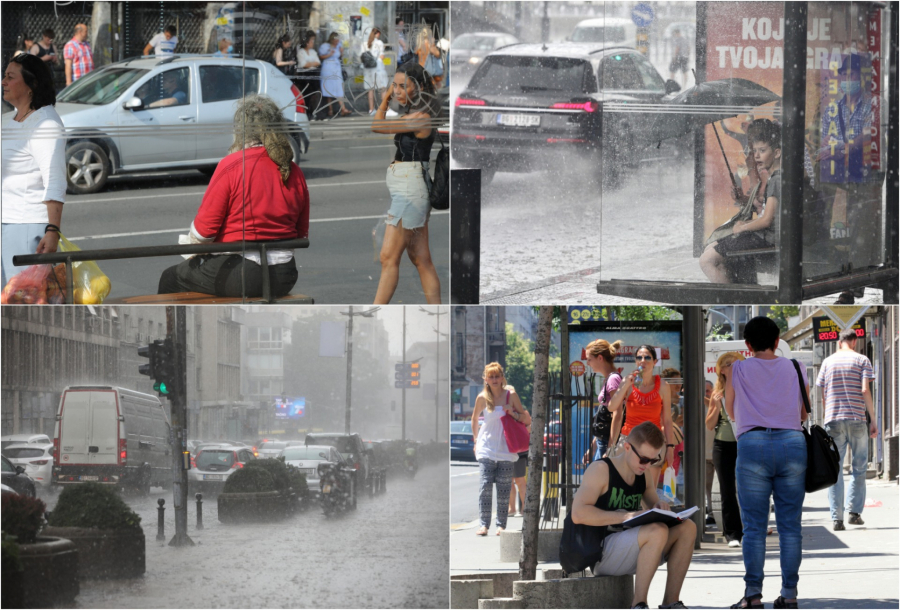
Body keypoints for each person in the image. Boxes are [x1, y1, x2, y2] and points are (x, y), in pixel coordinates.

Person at [157, 95, 309, 298]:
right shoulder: (293, 170)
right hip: (284, 275)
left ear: (241, 129)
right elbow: (301, 233)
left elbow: (204, 233)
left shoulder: (232, 165)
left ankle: (180, 331)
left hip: (240, 274)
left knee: (170, 278)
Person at [726, 316, 808, 609]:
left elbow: (730, 409)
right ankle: (789, 594)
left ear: (747, 345)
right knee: (790, 526)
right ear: (777, 342)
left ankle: (753, 595)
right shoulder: (797, 367)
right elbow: (803, 413)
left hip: (752, 445)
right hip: (792, 444)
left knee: (754, 528)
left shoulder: (738, 368)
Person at [571, 421, 696, 610]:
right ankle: (639, 604)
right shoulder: (601, 470)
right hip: (600, 553)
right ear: (627, 447)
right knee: (657, 531)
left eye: (653, 461)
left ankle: (671, 602)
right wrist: (625, 516)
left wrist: (660, 506)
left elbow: (653, 502)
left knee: (688, 528)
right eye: (644, 459)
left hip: (635, 548)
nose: (647, 465)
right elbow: (578, 514)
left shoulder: (642, 474)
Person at [371, 61, 441, 304]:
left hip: (411, 193)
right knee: (421, 259)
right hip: (410, 190)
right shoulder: (414, 113)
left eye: (403, 86)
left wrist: (384, 100)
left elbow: (377, 125)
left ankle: (374, 315)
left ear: (419, 87)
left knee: (388, 257)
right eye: (394, 86)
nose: (397, 91)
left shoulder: (420, 117)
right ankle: (437, 314)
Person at [816, 53, 880, 304]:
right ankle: (839, 279)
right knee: (833, 227)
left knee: (862, 229)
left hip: (866, 176)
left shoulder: (875, 103)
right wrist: (833, 149)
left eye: (853, 74)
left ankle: (853, 287)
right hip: (837, 177)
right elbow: (823, 143)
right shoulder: (833, 108)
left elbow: (866, 136)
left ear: (862, 78)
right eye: (845, 74)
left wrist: (837, 147)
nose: (848, 79)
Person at [1, 53, 65, 288]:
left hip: (26, 227)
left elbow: (55, 179)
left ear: (32, 85)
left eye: (10, 77)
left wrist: (52, 230)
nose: (3, 82)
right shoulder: (16, 119)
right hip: (8, 222)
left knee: (23, 302)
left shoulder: (45, 123)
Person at [700, 119, 781, 284]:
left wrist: (743, 227)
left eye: (761, 150)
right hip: (765, 234)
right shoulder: (776, 176)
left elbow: (766, 219)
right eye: (754, 149)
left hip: (767, 236)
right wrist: (744, 200)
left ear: (777, 152)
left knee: (707, 260)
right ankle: (740, 293)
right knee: (713, 251)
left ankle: (733, 298)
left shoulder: (776, 179)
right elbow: (764, 205)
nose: (756, 154)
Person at [816, 327, 877, 531]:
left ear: (839, 342)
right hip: (857, 419)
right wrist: (873, 419)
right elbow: (865, 390)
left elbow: (824, 394)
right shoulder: (862, 360)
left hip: (833, 419)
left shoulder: (827, 362)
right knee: (859, 468)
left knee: (835, 469)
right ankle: (854, 513)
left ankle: (837, 519)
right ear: (855, 341)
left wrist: (828, 416)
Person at [471, 362, 531, 536]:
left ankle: (501, 525)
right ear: (486, 379)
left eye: (497, 376)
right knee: (485, 486)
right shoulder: (482, 397)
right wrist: (476, 440)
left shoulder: (510, 395)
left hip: (506, 448)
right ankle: (484, 524)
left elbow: (525, 419)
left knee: (504, 489)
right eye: (491, 377)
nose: (495, 379)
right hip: (486, 448)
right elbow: (475, 419)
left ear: (502, 378)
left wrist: (511, 413)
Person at [607, 345, 676, 489]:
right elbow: (612, 408)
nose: (642, 361)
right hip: (629, 441)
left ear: (655, 361)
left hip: (653, 443)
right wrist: (625, 385)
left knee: (649, 492)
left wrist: (670, 448)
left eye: (647, 357)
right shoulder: (628, 382)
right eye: (639, 357)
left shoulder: (663, 386)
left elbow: (668, 421)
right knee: (623, 490)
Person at [706, 352, 744, 548]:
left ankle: (750, 528)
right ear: (721, 370)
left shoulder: (748, 388)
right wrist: (717, 404)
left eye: (734, 363)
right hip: (723, 445)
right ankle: (732, 534)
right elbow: (709, 424)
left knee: (748, 488)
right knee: (727, 490)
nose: (730, 367)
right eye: (726, 364)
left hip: (745, 443)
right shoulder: (716, 392)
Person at [583, 339, 623, 464]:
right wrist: (593, 448)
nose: (588, 363)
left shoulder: (612, 379)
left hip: (607, 443)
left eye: (589, 359)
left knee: (599, 481)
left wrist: (610, 448)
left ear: (600, 358)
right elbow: (605, 418)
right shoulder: (610, 378)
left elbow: (617, 414)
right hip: (604, 442)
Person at [318, 32, 351, 118]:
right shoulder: (325, 46)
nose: (337, 41)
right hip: (328, 69)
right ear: (332, 39)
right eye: (336, 40)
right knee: (328, 89)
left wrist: (341, 52)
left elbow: (340, 56)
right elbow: (321, 56)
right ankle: (330, 110)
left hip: (336, 69)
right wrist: (329, 54)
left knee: (338, 88)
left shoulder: (339, 45)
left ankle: (343, 109)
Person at [295, 32, 322, 119]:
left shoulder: (313, 52)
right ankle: (306, 113)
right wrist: (312, 63)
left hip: (313, 74)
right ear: (307, 42)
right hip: (305, 76)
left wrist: (309, 64)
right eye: (311, 41)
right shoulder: (301, 52)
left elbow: (318, 62)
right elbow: (303, 64)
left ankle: (312, 112)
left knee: (314, 95)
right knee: (306, 94)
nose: (313, 43)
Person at [363, 27, 388, 115]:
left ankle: (371, 109)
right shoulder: (379, 43)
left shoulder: (365, 43)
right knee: (383, 88)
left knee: (371, 89)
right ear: (377, 34)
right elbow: (382, 56)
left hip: (368, 70)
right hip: (378, 68)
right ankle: (385, 109)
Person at [508, 450, 527, 517]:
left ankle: (525, 508)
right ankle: (512, 508)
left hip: (517, 451)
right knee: (508, 480)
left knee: (519, 479)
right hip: (505, 451)